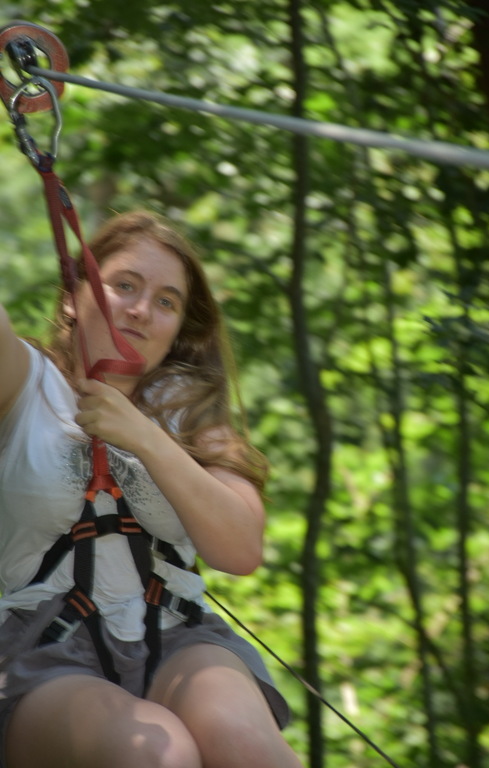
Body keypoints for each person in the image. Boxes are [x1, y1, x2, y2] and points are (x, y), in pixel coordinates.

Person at [0, 210, 305, 768]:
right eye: (123, 286)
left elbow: (239, 550)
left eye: (167, 301)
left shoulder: (192, 415)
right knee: (157, 755)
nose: (141, 310)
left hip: (177, 637)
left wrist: (145, 437)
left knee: (251, 750)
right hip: (43, 654)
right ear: (73, 296)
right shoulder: (22, 380)